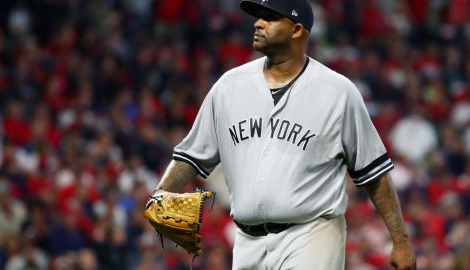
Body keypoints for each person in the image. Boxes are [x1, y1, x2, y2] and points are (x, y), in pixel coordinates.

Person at [150, 0, 416, 269]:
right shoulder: (229, 86)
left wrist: (400, 240)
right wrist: (160, 193)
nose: (257, 23)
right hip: (246, 240)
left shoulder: (338, 92)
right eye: (258, 17)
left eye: (269, 18)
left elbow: (374, 174)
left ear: (297, 29)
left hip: (311, 235)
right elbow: (191, 155)